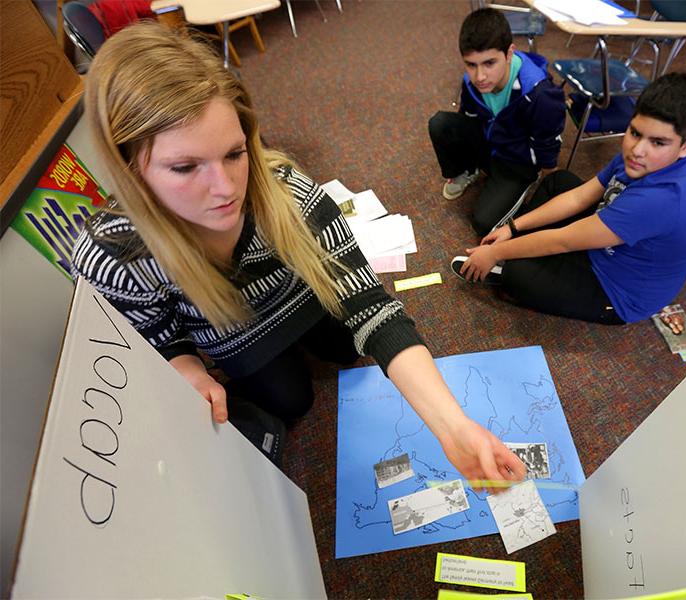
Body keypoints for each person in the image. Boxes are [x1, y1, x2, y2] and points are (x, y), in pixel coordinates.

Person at [71, 22, 525, 484]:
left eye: (234, 153)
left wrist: (453, 428)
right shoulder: (114, 254)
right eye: (186, 167)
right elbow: (159, 336)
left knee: (350, 346)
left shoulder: (287, 192)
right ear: (129, 165)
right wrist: (186, 368)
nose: (226, 189)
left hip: (303, 289)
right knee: (291, 401)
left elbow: (371, 306)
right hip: (232, 330)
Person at [452, 73, 686, 326]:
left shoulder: (663, 200)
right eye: (635, 133)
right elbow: (580, 197)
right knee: (560, 182)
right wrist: (512, 228)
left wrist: (496, 252)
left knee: (518, 277)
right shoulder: (640, 160)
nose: (637, 150)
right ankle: (523, 254)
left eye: (658, 143)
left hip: (617, 291)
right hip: (609, 241)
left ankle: (511, 265)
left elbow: (563, 240)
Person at [428, 8, 566, 236]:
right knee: (440, 123)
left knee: (483, 223)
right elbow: (468, 118)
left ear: (509, 54)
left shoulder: (539, 93)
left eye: (489, 63)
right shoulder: (471, 82)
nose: (479, 76)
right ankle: (468, 171)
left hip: (517, 162)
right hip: (490, 142)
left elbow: (547, 140)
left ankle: (521, 184)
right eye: (471, 64)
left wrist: (548, 179)